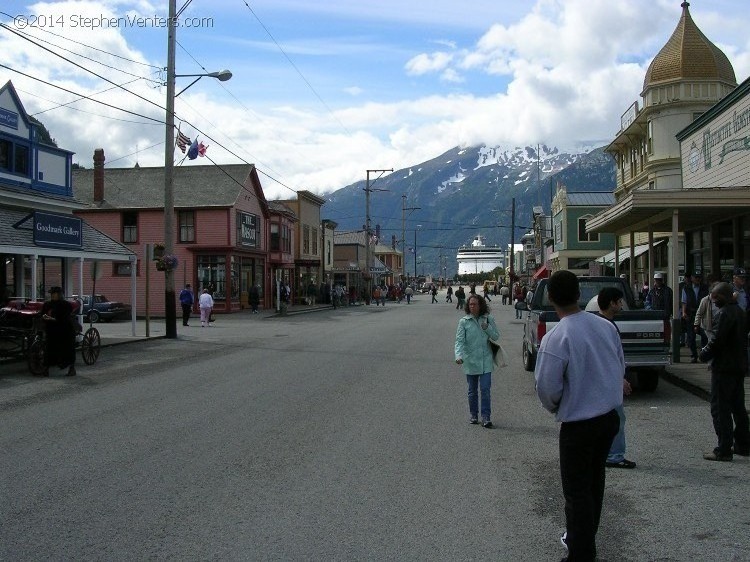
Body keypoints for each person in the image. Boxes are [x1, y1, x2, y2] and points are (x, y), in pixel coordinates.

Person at [534, 270, 623, 561]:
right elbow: (619, 365)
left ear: (550, 297)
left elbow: (547, 387)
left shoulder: (557, 336)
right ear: (579, 294)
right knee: (595, 481)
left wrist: (558, 407)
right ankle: (585, 538)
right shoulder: (606, 326)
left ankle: (581, 553)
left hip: (579, 424)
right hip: (609, 417)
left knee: (576, 492)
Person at [699, 282, 750, 461]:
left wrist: (704, 354)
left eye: (715, 297)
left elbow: (717, 341)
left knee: (720, 408)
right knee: (738, 407)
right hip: (738, 366)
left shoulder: (724, 314)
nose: (713, 300)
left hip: (723, 368)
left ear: (723, 296)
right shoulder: (741, 314)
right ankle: (743, 444)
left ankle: (723, 449)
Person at [595, 287, 637, 470]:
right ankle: (614, 455)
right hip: (609, 381)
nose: (621, 305)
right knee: (617, 419)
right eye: (619, 301)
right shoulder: (606, 326)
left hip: (603, 381)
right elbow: (609, 357)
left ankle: (606, 452)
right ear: (612, 303)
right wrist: (621, 379)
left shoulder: (599, 323)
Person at [455, 294, 500, 428]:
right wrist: (458, 355)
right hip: (470, 361)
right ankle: (474, 414)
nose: (472, 307)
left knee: (485, 389)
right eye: (470, 304)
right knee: (472, 390)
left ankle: (486, 416)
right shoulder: (464, 321)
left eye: (475, 304)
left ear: (481, 305)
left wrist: (487, 328)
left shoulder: (488, 319)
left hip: (486, 360)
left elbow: (496, 337)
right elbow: (459, 341)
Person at [41, 286, 77, 376]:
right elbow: (42, 313)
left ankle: (71, 368)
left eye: (54, 294)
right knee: (49, 349)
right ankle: (46, 368)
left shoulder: (65, 305)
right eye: (51, 294)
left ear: (59, 295)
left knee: (67, 350)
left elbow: (64, 318)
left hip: (64, 331)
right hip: (52, 331)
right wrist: (44, 317)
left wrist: (52, 319)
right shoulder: (47, 304)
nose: (52, 295)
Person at [681, 271, 709, 363]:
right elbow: (684, 301)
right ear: (692, 278)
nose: (697, 279)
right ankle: (694, 355)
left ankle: (703, 354)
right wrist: (684, 312)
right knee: (691, 337)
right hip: (691, 314)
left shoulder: (705, 288)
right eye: (696, 277)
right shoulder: (687, 288)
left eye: (699, 277)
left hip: (702, 314)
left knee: (704, 335)